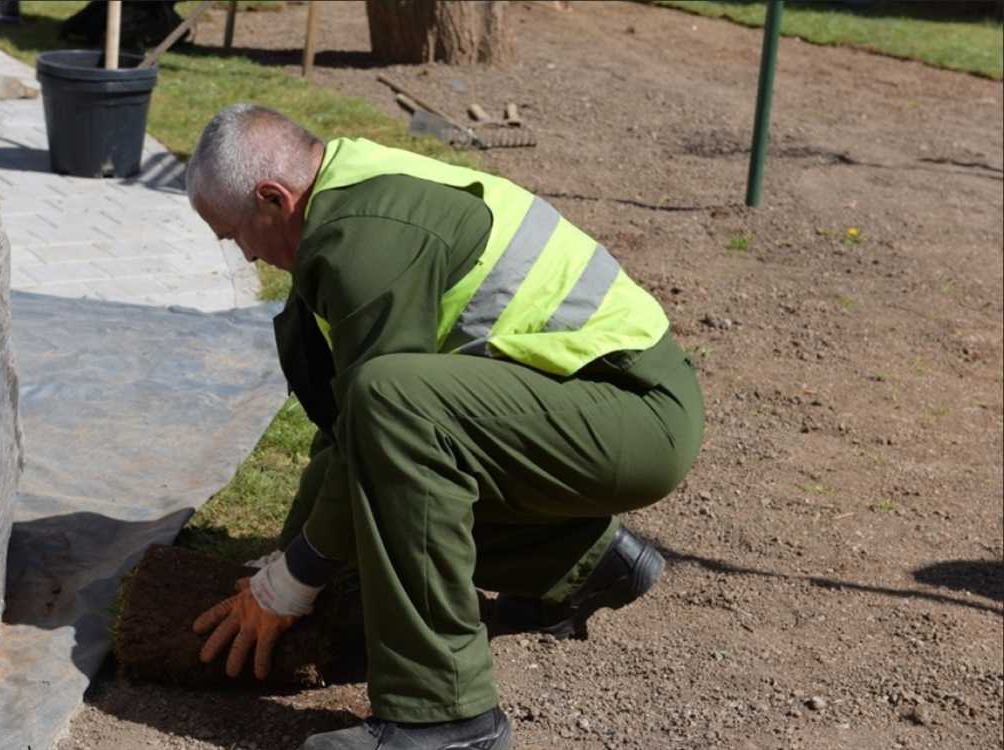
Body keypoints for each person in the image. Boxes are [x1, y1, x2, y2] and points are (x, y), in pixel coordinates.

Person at [185, 103, 704, 750]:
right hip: (592, 404)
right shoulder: (347, 195)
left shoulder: (362, 245)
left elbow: (386, 418)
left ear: (273, 200)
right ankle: (581, 563)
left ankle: (444, 718)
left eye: (234, 235)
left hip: (634, 412)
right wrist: (288, 563)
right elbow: (352, 437)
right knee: (386, 432)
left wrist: (288, 584)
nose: (245, 256)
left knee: (394, 403)